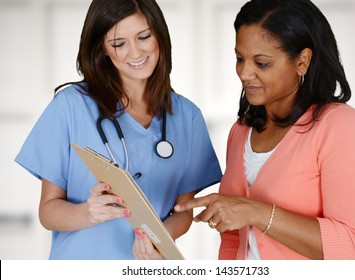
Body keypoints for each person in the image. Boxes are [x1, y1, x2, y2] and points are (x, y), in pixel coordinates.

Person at [174, 0, 355, 260]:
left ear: (302, 61)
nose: (244, 73)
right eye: (240, 58)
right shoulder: (241, 132)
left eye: (261, 63)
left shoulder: (341, 127)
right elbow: (232, 237)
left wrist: (256, 212)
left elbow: (353, 246)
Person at [15, 0, 222, 260]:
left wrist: (158, 240)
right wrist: (88, 212)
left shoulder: (187, 117)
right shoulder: (70, 106)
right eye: (118, 43)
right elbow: (48, 211)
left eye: (144, 36)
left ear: (159, 35)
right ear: (103, 49)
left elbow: (183, 210)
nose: (135, 53)